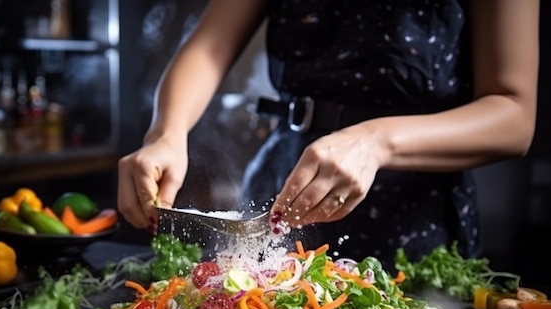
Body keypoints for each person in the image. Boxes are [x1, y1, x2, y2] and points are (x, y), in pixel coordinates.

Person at [117, 0, 539, 273]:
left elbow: (514, 115)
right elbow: (208, 48)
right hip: (284, 181)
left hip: (415, 217)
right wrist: (165, 133)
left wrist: (376, 141)